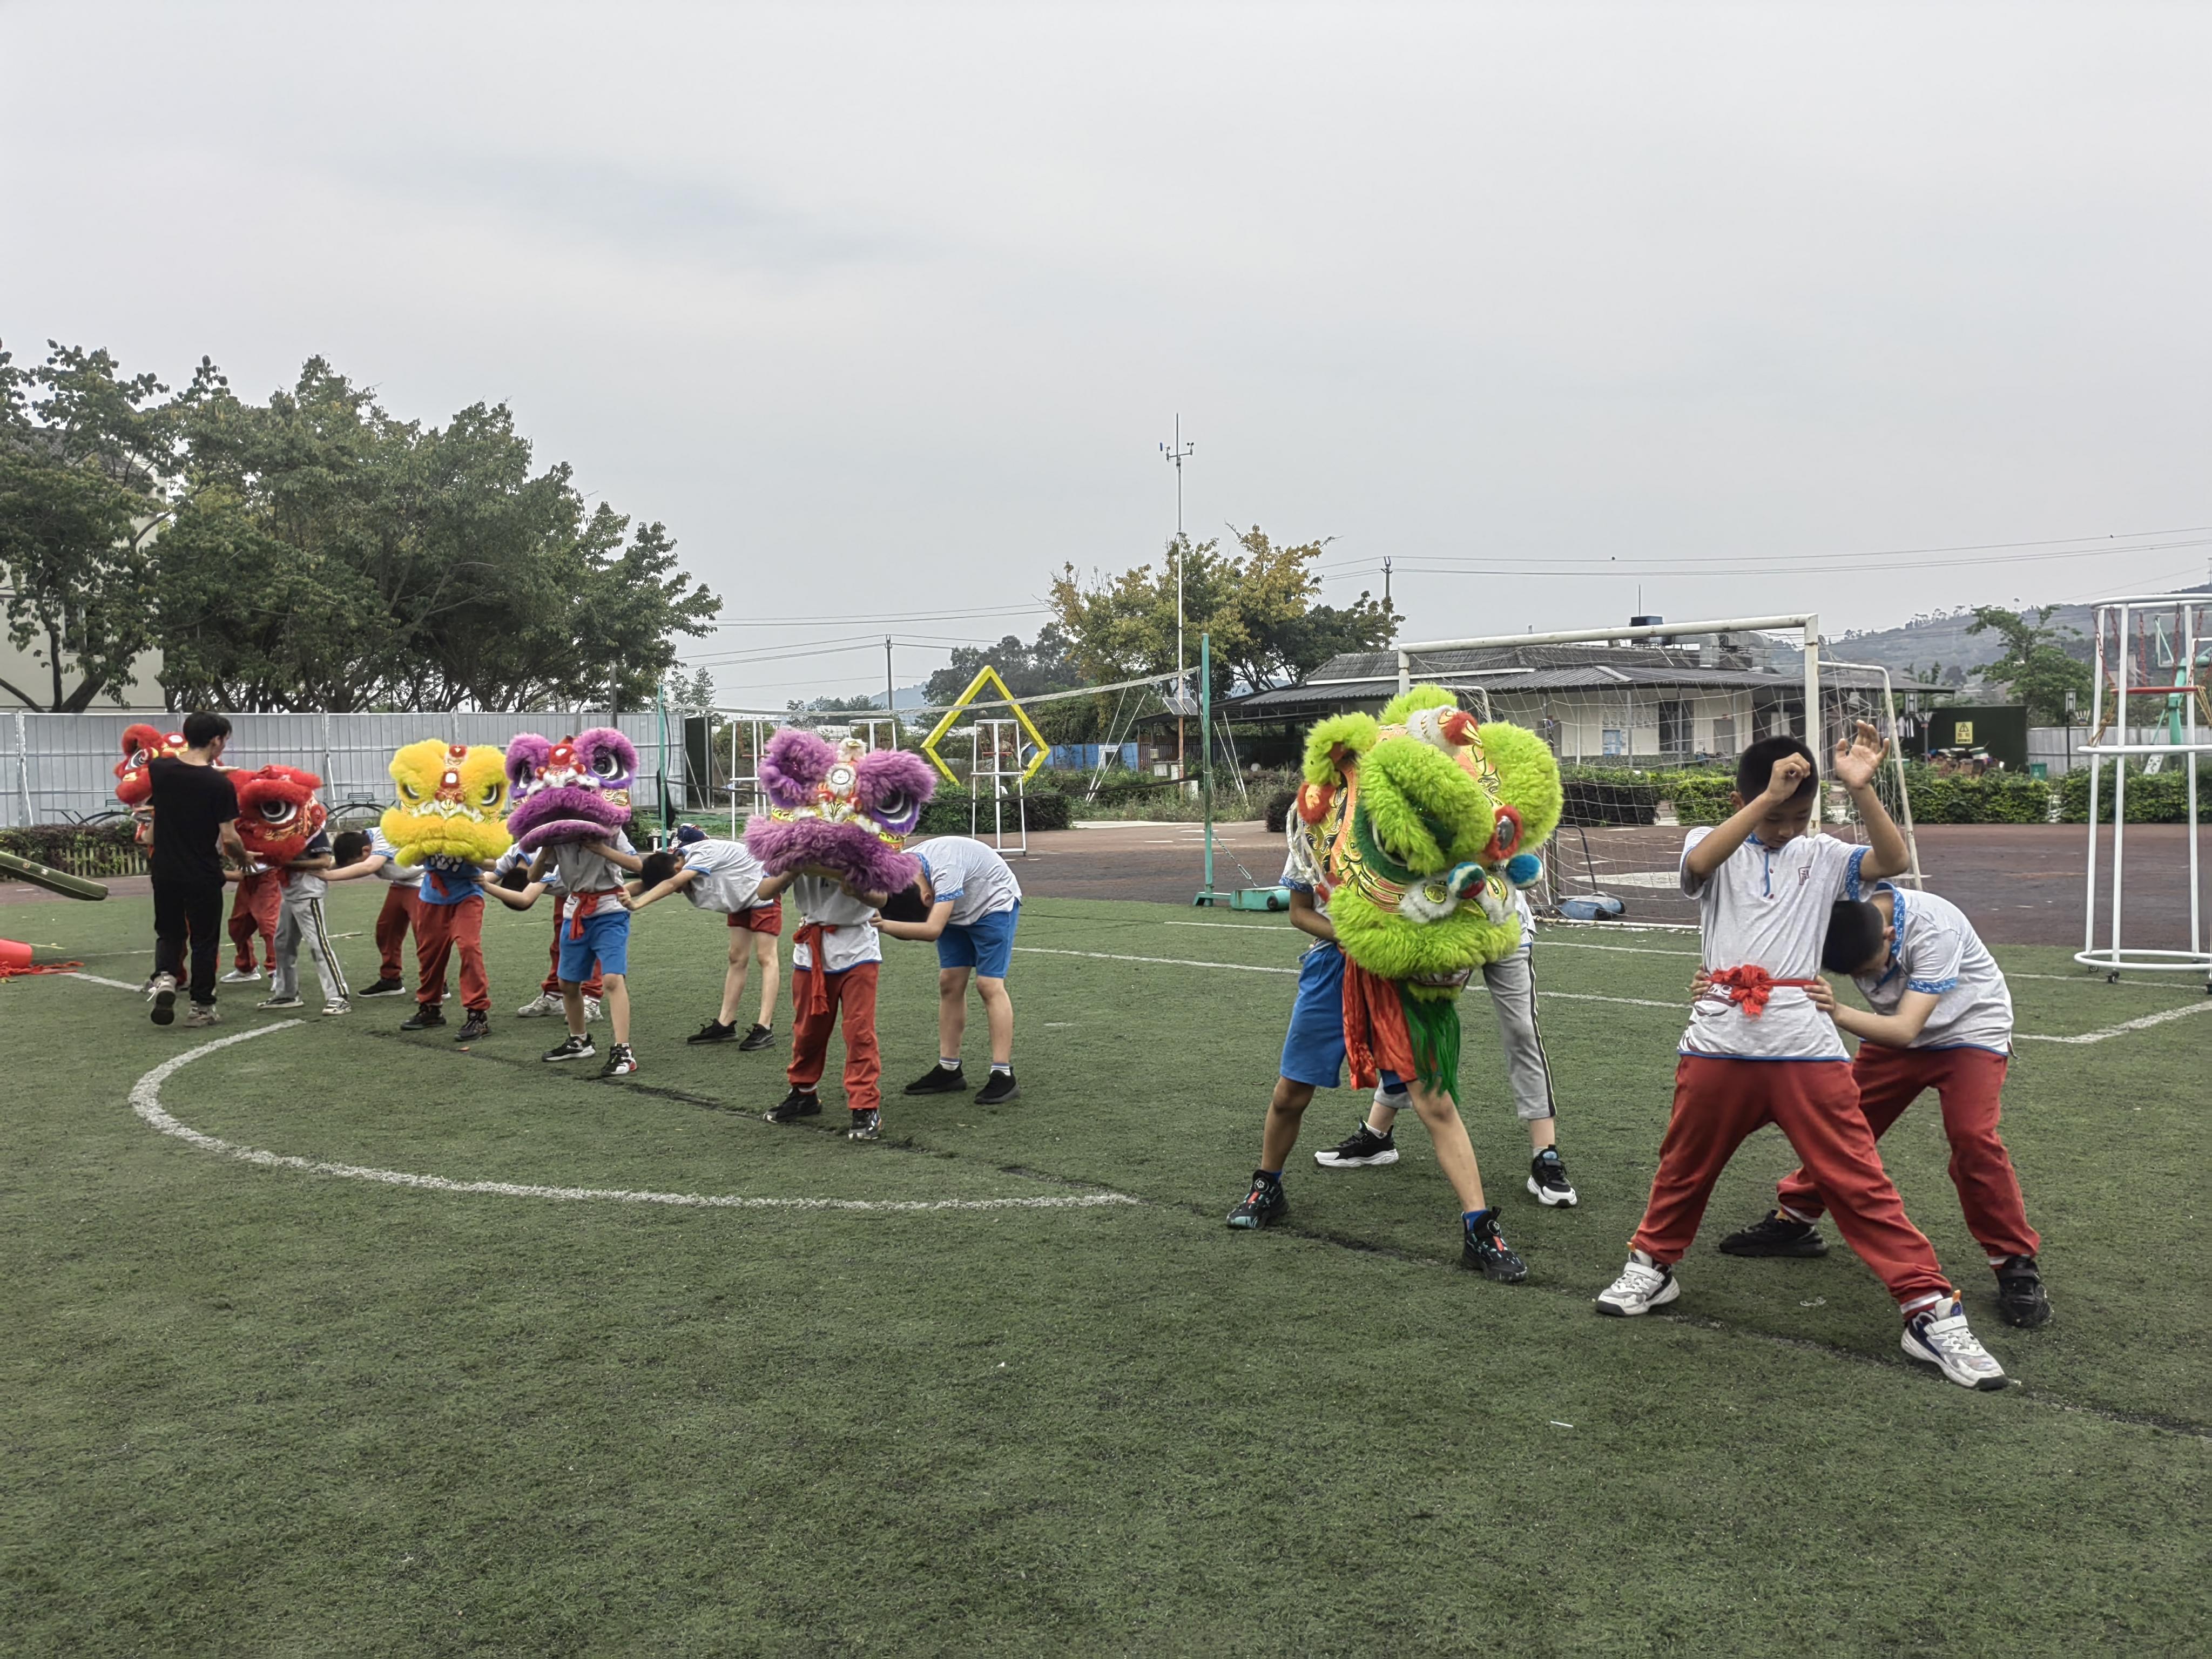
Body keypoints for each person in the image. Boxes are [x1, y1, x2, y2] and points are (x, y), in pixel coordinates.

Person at [1594, 727, 2011, 1392]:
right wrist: (1766, 801)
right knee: (1684, 1167)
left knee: (1857, 1180)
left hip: (1806, 1048)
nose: (1787, 828)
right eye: (1776, 816)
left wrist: (1860, 788)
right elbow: (1699, 864)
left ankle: (1928, 1309)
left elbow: (1894, 859)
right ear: (1744, 800)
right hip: (1718, 1040)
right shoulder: (1714, 841)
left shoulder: (1823, 855)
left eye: (1799, 815)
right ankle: (1651, 1265)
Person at [1717, 887, 2051, 1327]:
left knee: (1973, 1136)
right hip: (1891, 1030)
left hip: (1968, 1030)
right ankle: (1796, 1219)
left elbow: (1906, 1030)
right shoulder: (1834, 914)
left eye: (1870, 968)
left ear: (1891, 935)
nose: (1870, 978)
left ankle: (2014, 1262)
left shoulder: (1936, 930)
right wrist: (1714, 980)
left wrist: (1838, 1012)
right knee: (1841, 1127)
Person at [1225, 804, 1528, 1283]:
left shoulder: (1415, 815)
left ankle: (1479, 1228)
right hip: (1333, 967)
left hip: (1402, 975)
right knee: (1291, 1092)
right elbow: (1300, 914)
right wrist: (1356, 939)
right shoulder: (1318, 818)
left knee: (1436, 1102)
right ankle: (1267, 1186)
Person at [1311, 884, 1576, 1207]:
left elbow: (1520, 863)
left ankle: (1545, 1154)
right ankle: (1377, 1135)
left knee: (1522, 1030)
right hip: (1446, 930)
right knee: (1419, 1030)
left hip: (1505, 923)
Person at [880, 834, 1023, 1105]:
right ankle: (949, 1069)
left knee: (989, 985)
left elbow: (932, 929)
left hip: (992, 903)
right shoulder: (898, 871)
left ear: (928, 899)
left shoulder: (946, 871)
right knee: (950, 982)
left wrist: (883, 926)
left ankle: (1003, 1073)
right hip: (955, 908)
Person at [622, 826, 781, 1050]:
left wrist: (638, 905)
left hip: (763, 890)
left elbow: (671, 883)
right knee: (736, 958)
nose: (679, 892)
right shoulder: (673, 864)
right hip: (740, 897)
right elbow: (644, 885)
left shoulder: (702, 853)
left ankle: (764, 1028)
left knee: (766, 957)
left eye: (679, 888)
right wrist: (606, 896)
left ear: (679, 868)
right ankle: (725, 1025)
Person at [758, 865, 885, 1140]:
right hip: (811, 946)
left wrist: (847, 878)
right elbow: (764, 891)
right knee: (808, 1030)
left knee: (859, 1031)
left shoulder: (863, 847)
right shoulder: (792, 849)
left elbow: (881, 898)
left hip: (857, 946)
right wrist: (795, 868)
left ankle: (865, 1104)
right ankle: (804, 1093)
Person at [144, 712, 247, 1029]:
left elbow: (171, 793)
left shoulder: (160, 770)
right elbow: (229, 838)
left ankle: (165, 977)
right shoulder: (220, 786)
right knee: (204, 940)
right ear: (216, 740)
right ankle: (201, 1007)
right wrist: (243, 858)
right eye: (224, 740)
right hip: (202, 872)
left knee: (170, 931)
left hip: (164, 868)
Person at [529, 832, 638, 1077]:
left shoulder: (611, 830)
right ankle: (579, 1041)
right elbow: (533, 877)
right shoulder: (558, 834)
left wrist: (601, 849)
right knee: (567, 983)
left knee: (612, 979)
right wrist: (545, 853)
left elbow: (637, 865)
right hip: (575, 911)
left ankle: (623, 1050)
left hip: (610, 911)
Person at [255, 808, 349, 1016]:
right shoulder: (277, 829)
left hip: (308, 891)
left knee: (318, 944)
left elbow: (324, 862)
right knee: (282, 943)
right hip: (289, 891)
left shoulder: (311, 827)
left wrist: (287, 862)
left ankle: (339, 996)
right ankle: (287, 993)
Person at [401, 844, 494, 1042]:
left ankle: (478, 1014)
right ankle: (430, 1008)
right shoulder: (427, 828)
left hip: (468, 895)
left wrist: (465, 853)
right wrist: (430, 846)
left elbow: (491, 864)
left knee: (469, 947)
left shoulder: (472, 828)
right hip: (432, 897)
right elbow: (415, 860)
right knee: (430, 953)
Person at [323, 826, 428, 999]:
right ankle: (391, 979)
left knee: (424, 936)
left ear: (366, 851)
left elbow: (368, 867)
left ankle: (437, 984)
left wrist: (326, 876)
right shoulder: (362, 843)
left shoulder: (385, 839)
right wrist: (316, 868)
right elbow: (345, 862)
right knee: (387, 931)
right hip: (402, 882)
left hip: (423, 881)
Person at [511, 845, 604, 1025]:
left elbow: (526, 898)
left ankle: (591, 998)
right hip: (567, 878)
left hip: (594, 882)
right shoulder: (517, 850)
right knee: (561, 939)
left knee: (593, 941)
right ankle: (554, 994)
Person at [219, 852, 282, 987]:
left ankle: (279, 971)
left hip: (269, 873)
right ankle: (246, 967)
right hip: (247, 876)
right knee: (238, 926)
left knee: (268, 923)